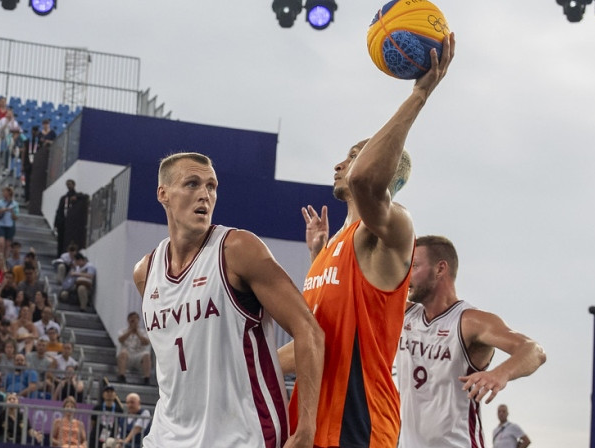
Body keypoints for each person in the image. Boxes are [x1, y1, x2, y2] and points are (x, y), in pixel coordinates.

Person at [279, 34, 455, 448]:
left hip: (359, 424)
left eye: (355, 154)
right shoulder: (330, 251)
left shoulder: (396, 230)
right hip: (312, 424)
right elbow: (317, 342)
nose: (341, 164)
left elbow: (364, 180)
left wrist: (420, 94)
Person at [132, 152, 324, 447]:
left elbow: (309, 330)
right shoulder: (145, 272)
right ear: (163, 194)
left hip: (241, 436)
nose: (204, 195)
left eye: (211, 186)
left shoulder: (237, 249)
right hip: (166, 436)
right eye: (192, 184)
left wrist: (307, 429)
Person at [395, 236, 546, 447]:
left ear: (440, 269)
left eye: (415, 266)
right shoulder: (404, 313)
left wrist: (500, 374)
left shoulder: (469, 321)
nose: (407, 275)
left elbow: (534, 350)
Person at [115, 312, 151, 384]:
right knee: (122, 353)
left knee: (146, 355)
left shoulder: (143, 332)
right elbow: (120, 339)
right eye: (132, 320)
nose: (133, 321)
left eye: (135, 319)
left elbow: (146, 342)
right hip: (128, 355)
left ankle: (147, 378)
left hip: (138, 355)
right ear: (128, 321)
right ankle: (122, 376)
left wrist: (137, 333)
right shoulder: (123, 331)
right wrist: (130, 331)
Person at [89, 384, 124, 448]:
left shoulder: (119, 409)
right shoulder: (97, 408)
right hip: (96, 437)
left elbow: (120, 424)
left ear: (115, 395)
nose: (109, 394)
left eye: (111, 392)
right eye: (107, 392)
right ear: (103, 394)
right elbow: (93, 422)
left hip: (112, 438)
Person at [54, 179, 82, 257]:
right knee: (61, 241)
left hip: (72, 225)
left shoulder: (77, 197)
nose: (68, 186)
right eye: (67, 184)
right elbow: (59, 211)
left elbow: (83, 197)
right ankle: (59, 256)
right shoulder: (64, 198)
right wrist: (56, 223)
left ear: (74, 185)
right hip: (63, 223)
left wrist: (76, 197)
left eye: (70, 184)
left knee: (70, 242)